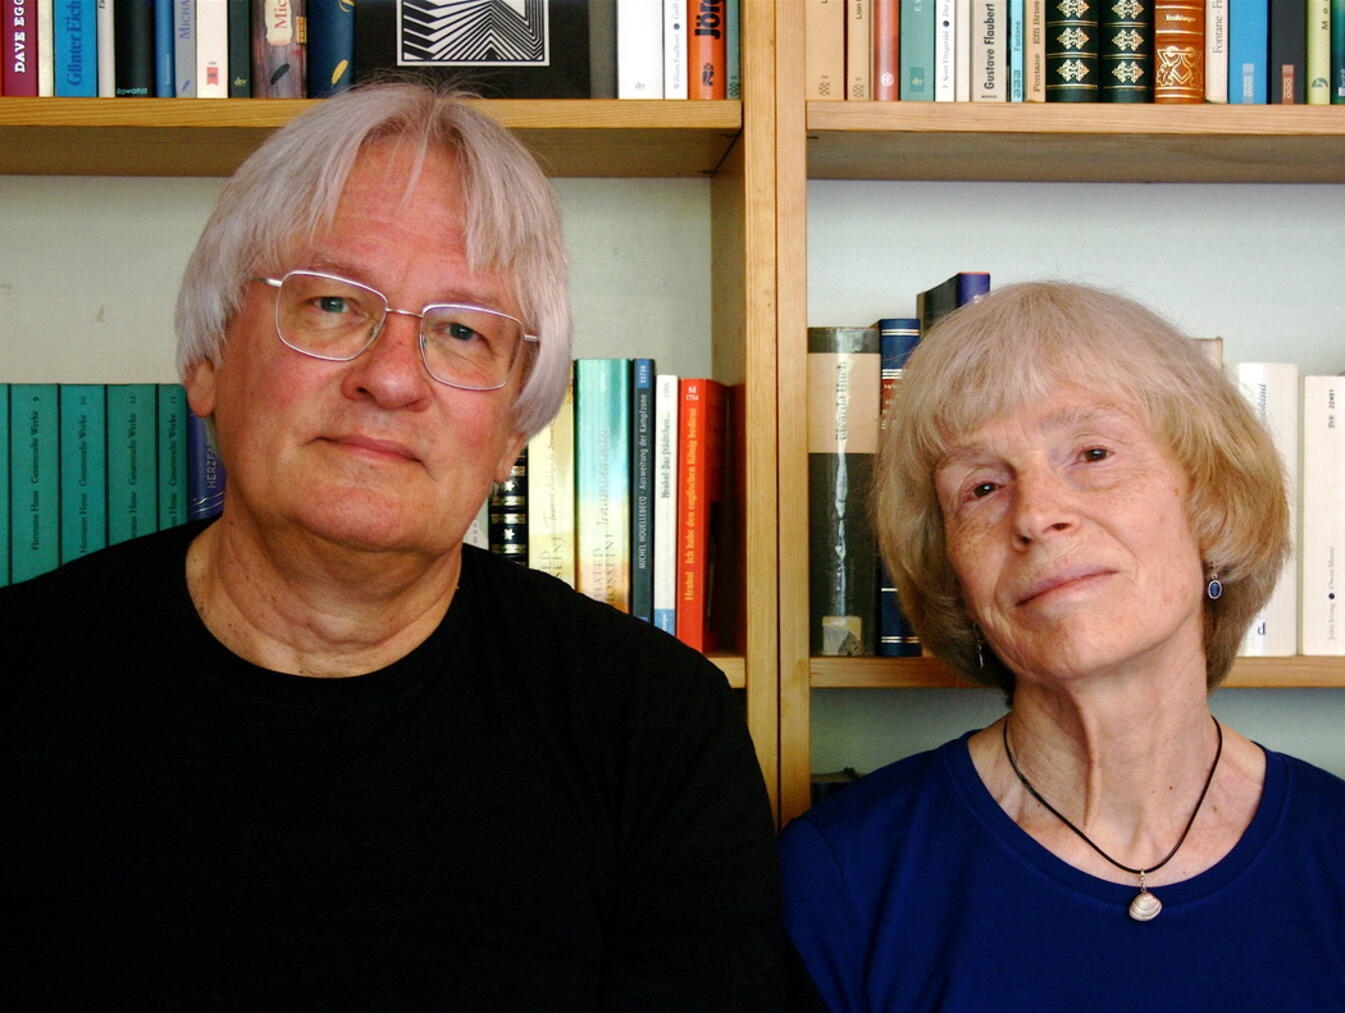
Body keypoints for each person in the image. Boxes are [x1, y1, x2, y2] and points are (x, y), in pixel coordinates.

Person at [0, 83, 782, 1008]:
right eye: (332, 303)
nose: (392, 378)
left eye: (461, 331)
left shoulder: (657, 731)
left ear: (514, 431)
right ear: (207, 358)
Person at [779, 281, 1345, 1011]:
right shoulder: (843, 874)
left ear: (1210, 506)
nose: (1037, 514)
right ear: (952, 572)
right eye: (982, 488)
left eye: (1092, 452)